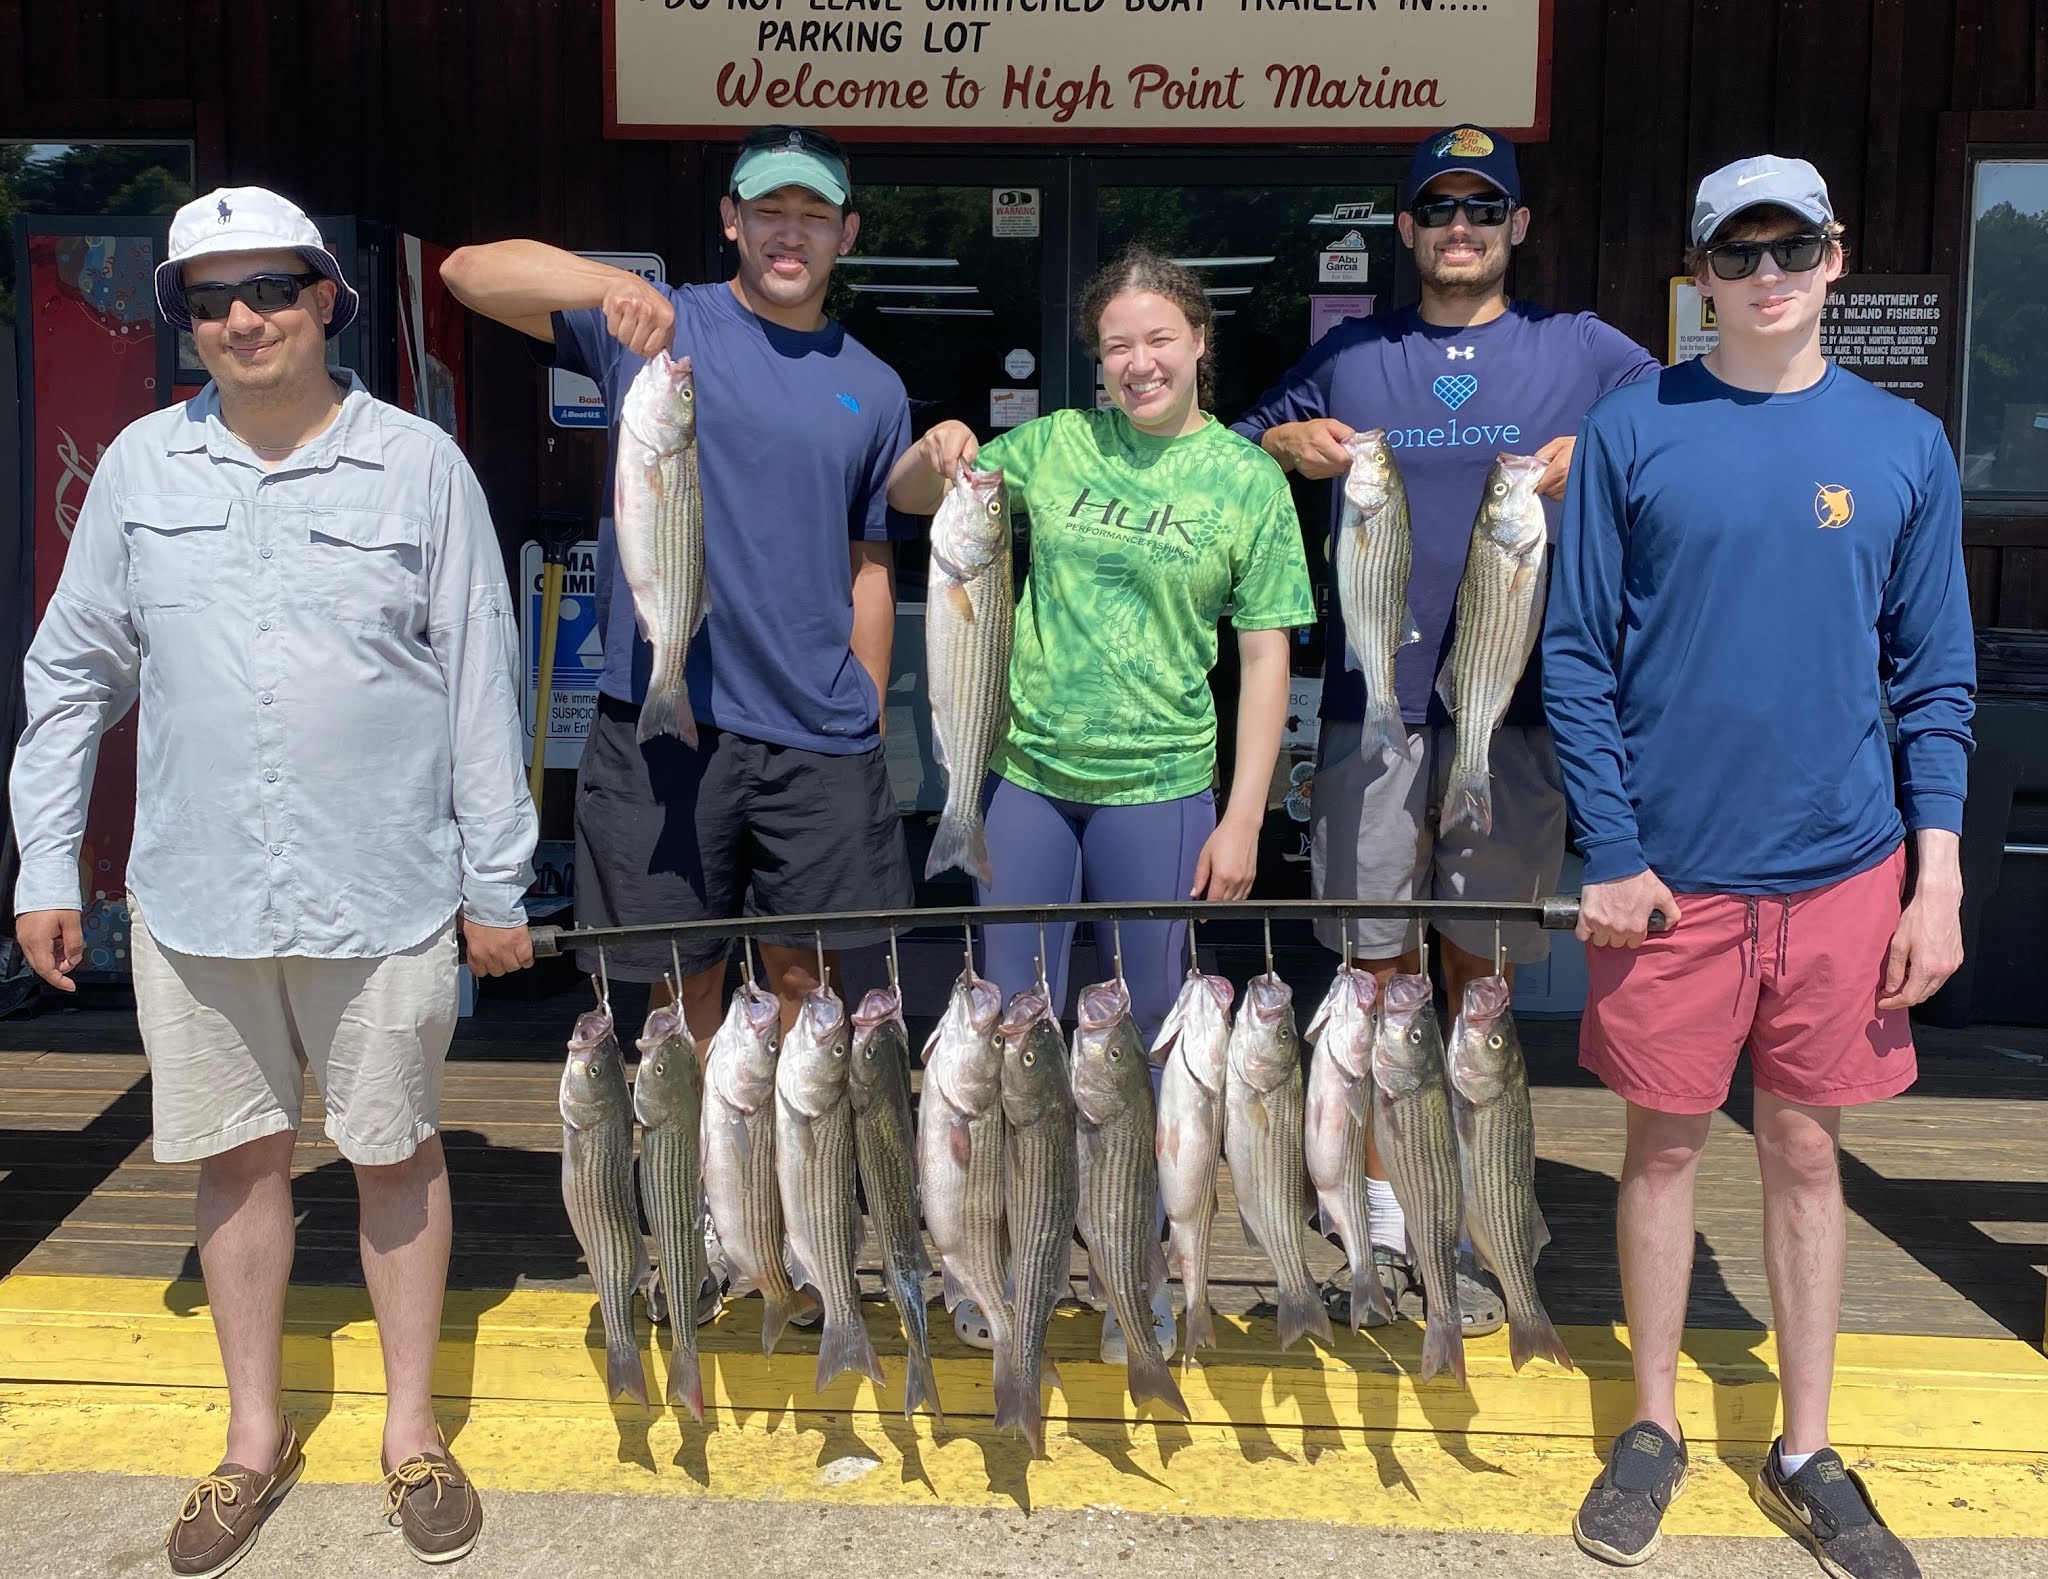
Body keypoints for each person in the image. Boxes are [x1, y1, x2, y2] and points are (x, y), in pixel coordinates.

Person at [9, 186, 537, 1572]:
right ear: (186, 321)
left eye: (270, 289)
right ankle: (254, 1438)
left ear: (325, 298)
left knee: (393, 1149)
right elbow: (72, 674)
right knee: (236, 1158)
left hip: (385, 892)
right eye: (209, 297)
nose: (243, 317)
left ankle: (411, 1429)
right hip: (196, 893)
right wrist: (45, 858)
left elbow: (485, 677)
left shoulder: (421, 465)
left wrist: (499, 881)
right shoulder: (138, 465)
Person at [1545, 156, 1972, 1579]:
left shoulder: (1905, 444)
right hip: (1673, 874)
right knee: (1663, 1140)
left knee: (1804, 1146)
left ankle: (1804, 1443)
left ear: (1837, 257)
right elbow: (1577, 655)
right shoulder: (1632, 428)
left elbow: (1936, 680)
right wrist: (1610, 849)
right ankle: (1656, 1423)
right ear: (1702, 272)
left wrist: (1941, 874)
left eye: (1794, 247)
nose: (1768, 274)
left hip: (1848, 865)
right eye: (1741, 253)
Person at [1233, 124, 1661, 1334]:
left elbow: (1684, 412)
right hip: (1374, 703)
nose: (1459, 231)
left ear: (1515, 228)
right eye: (1437, 212)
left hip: (1512, 708)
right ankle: (1372, 1198)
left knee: (1478, 969)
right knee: (1375, 964)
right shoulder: (1354, 352)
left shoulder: (1582, 350)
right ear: (1408, 230)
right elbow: (1245, 432)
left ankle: (1471, 1195)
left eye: (1482, 212)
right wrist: (1290, 441)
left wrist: (1605, 450)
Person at [889, 246, 1313, 1350]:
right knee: (1003, 1034)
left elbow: (1265, 658)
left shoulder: (1245, 480)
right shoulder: (1056, 444)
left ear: (1199, 341)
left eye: (1157, 338)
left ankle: (1147, 1267)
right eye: (1116, 345)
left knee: (1150, 1053)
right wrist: (937, 452)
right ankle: (1000, 1258)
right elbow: (914, 495)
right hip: (1025, 777)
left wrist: (1243, 813)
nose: (1137, 363)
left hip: (1163, 789)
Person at [441, 125, 915, 1040]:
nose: (790, 232)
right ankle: (695, 1180)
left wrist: (866, 698)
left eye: (813, 215)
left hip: (815, 729)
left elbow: (871, 560)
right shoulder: (659, 324)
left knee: (804, 987)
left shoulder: (877, 385)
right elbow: (469, 273)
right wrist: (610, 286)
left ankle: (784, 1180)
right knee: (675, 981)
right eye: (768, 210)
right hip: (662, 713)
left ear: (846, 233)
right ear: (730, 219)